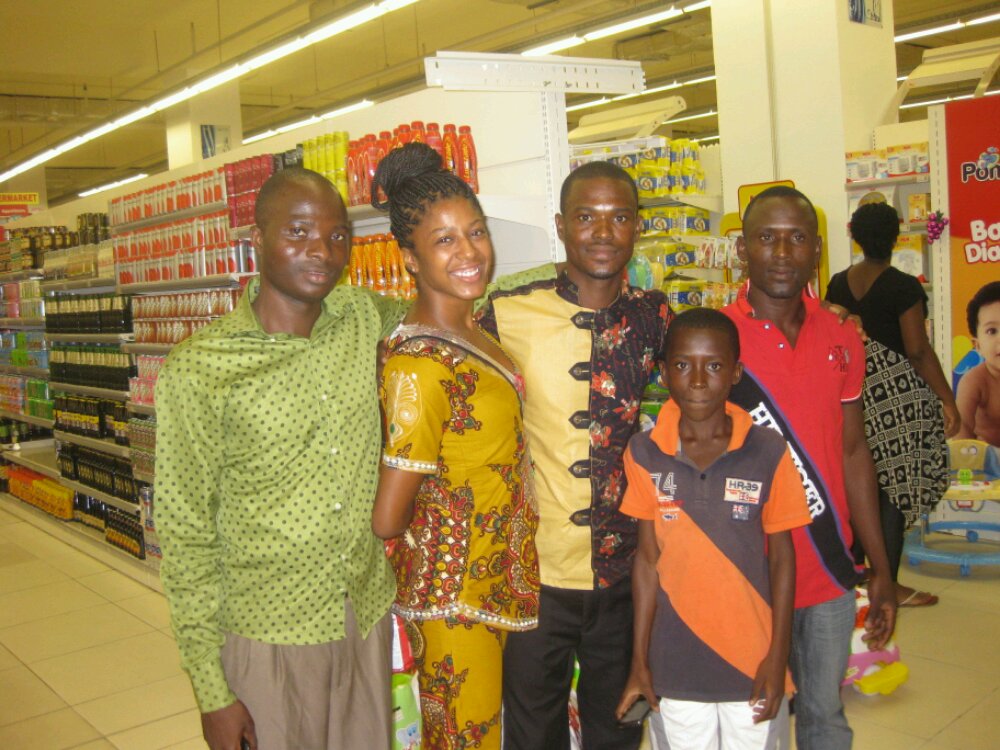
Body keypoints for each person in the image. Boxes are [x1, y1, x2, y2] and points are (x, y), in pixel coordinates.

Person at [156, 167, 404, 750]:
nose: (322, 251)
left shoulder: (362, 316)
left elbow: (449, 305)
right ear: (257, 239)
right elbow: (185, 536)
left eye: (337, 235)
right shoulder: (199, 368)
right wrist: (211, 692)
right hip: (267, 632)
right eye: (298, 232)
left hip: (363, 617)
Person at [477, 160, 673, 750]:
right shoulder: (504, 313)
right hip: (535, 571)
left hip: (625, 571)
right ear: (561, 226)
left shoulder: (653, 315)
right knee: (534, 733)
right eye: (587, 218)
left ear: (637, 226)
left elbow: (712, 372)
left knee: (617, 729)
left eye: (619, 218)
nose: (603, 233)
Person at [370, 143, 540, 750]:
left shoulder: (474, 330)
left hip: (495, 576)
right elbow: (388, 516)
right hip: (453, 593)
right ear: (409, 258)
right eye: (444, 240)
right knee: (465, 740)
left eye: (475, 232)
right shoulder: (419, 364)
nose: (469, 252)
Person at [721, 185, 897, 750]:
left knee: (825, 717)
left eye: (796, 238)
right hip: (750, 573)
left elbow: (853, 452)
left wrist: (881, 567)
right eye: (766, 237)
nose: (781, 252)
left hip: (827, 567)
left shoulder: (843, 336)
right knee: (760, 725)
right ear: (743, 248)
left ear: (817, 250)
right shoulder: (714, 340)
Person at [616, 308, 812, 750]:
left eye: (715, 366)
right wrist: (639, 661)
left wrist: (778, 656)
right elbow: (646, 563)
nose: (699, 381)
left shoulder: (768, 450)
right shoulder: (644, 453)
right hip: (674, 664)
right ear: (664, 372)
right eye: (683, 365)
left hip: (753, 661)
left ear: (736, 373)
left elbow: (783, 559)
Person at [825, 201, 958, 607]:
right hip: (896, 399)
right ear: (896, 238)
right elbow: (917, 350)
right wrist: (947, 399)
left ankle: (856, 579)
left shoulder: (837, 284)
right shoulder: (903, 286)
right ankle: (889, 584)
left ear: (855, 237)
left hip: (849, 394)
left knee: (855, 486)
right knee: (893, 491)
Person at [957, 281, 1000, 446]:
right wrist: (967, 458)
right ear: (977, 345)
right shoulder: (974, 381)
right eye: (992, 331)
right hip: (986, 457)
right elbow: (963, 428)